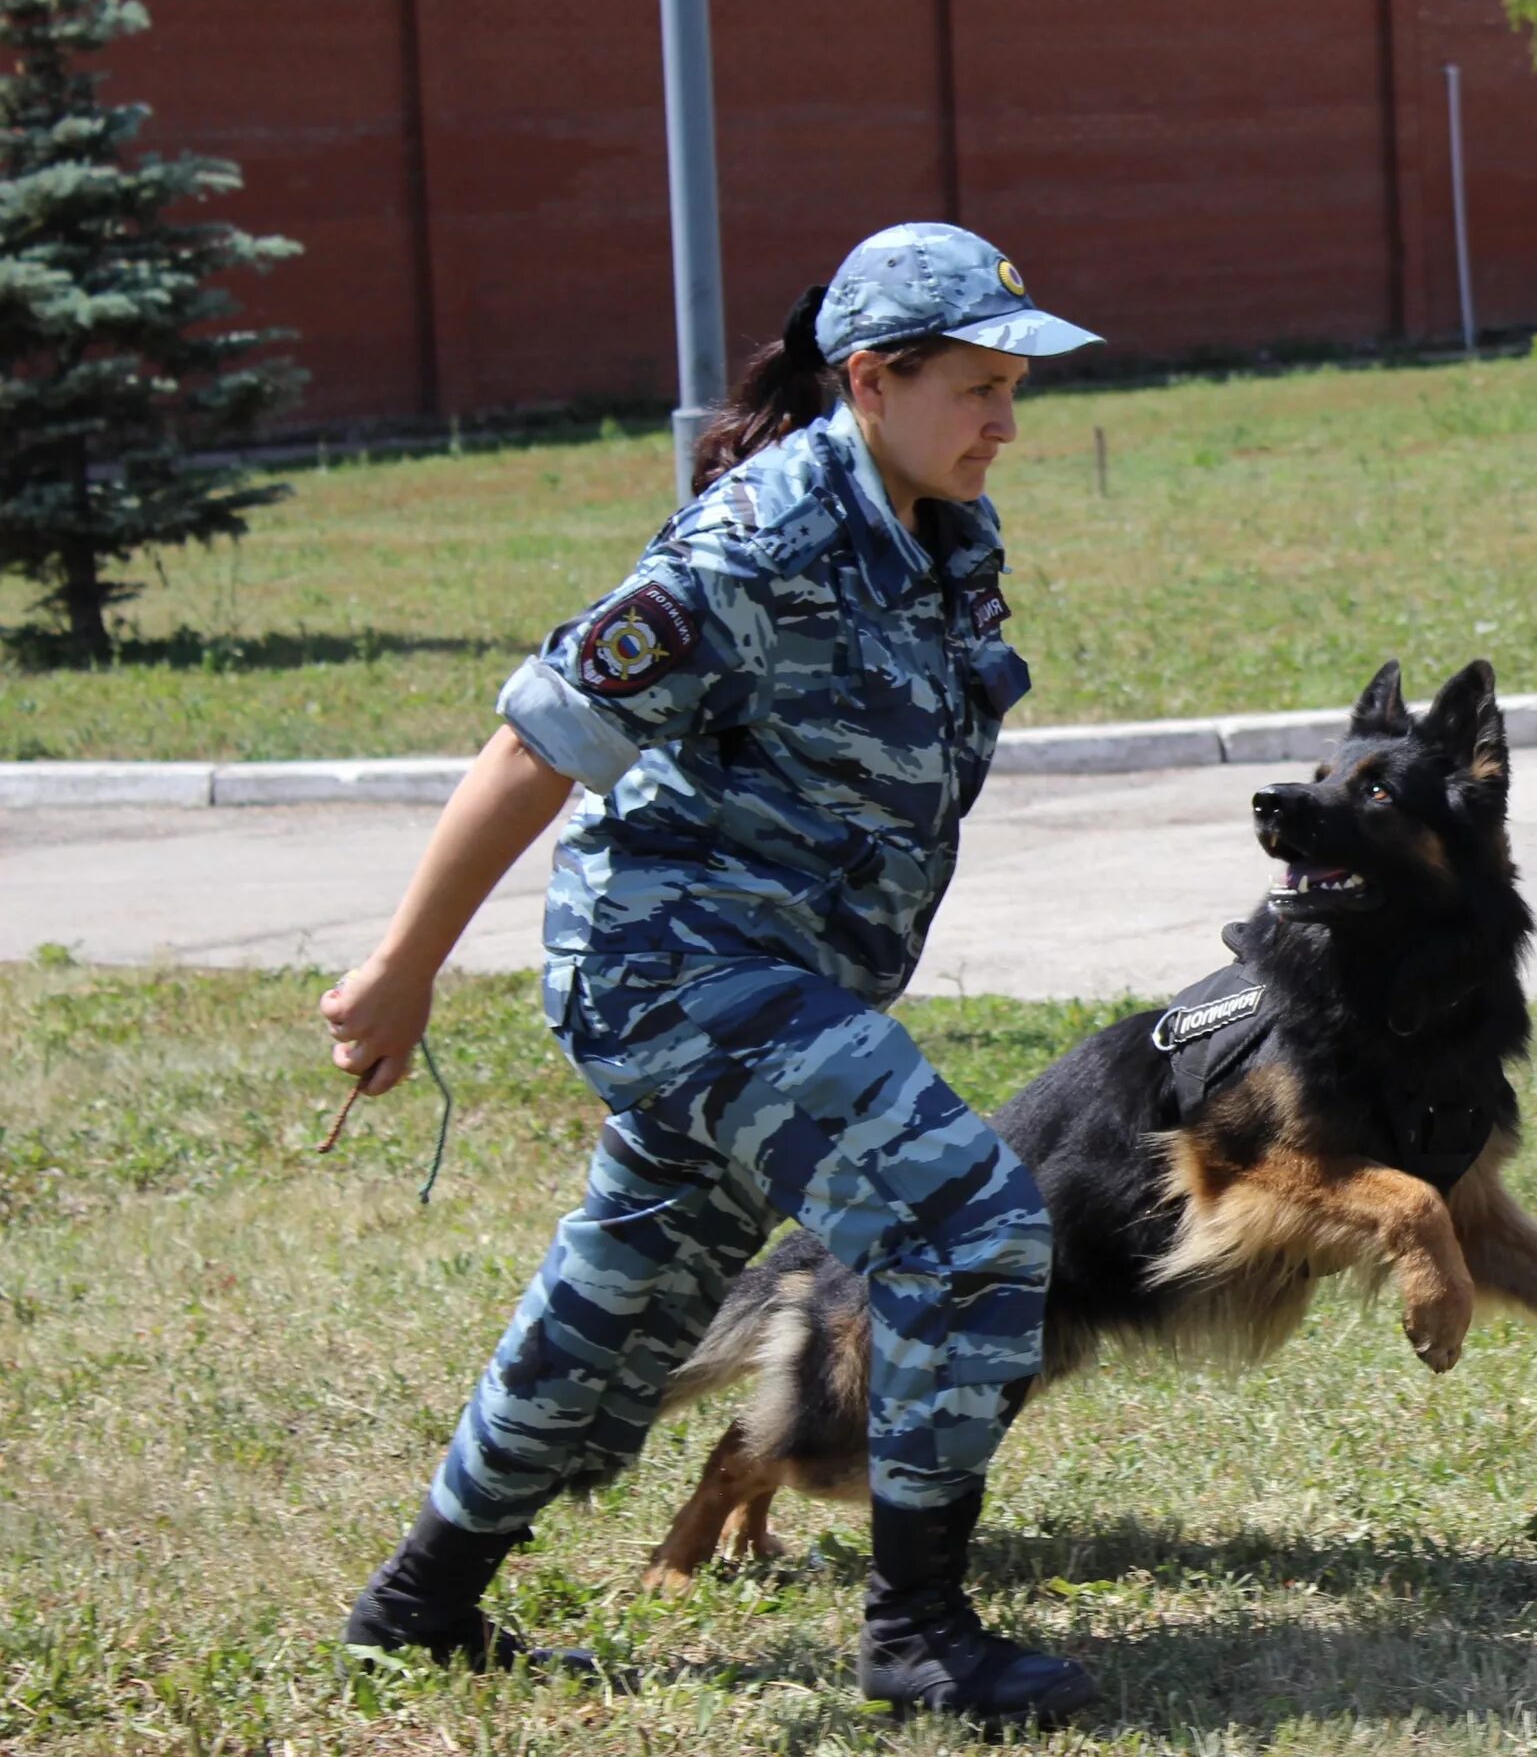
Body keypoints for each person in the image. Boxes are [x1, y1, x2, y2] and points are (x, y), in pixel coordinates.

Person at [318, 223, 1103, 1728]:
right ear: (871, 380)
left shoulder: (941, 522)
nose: (1006, 421)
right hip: (677, 970)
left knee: (625, 1291)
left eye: (1016, 388)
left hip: (785, 981)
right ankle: (919, 1631)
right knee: (973, 1216)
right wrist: (402, 967)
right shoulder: (751, 546)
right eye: (979, 389)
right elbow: (537, 740)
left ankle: (419, 1602)